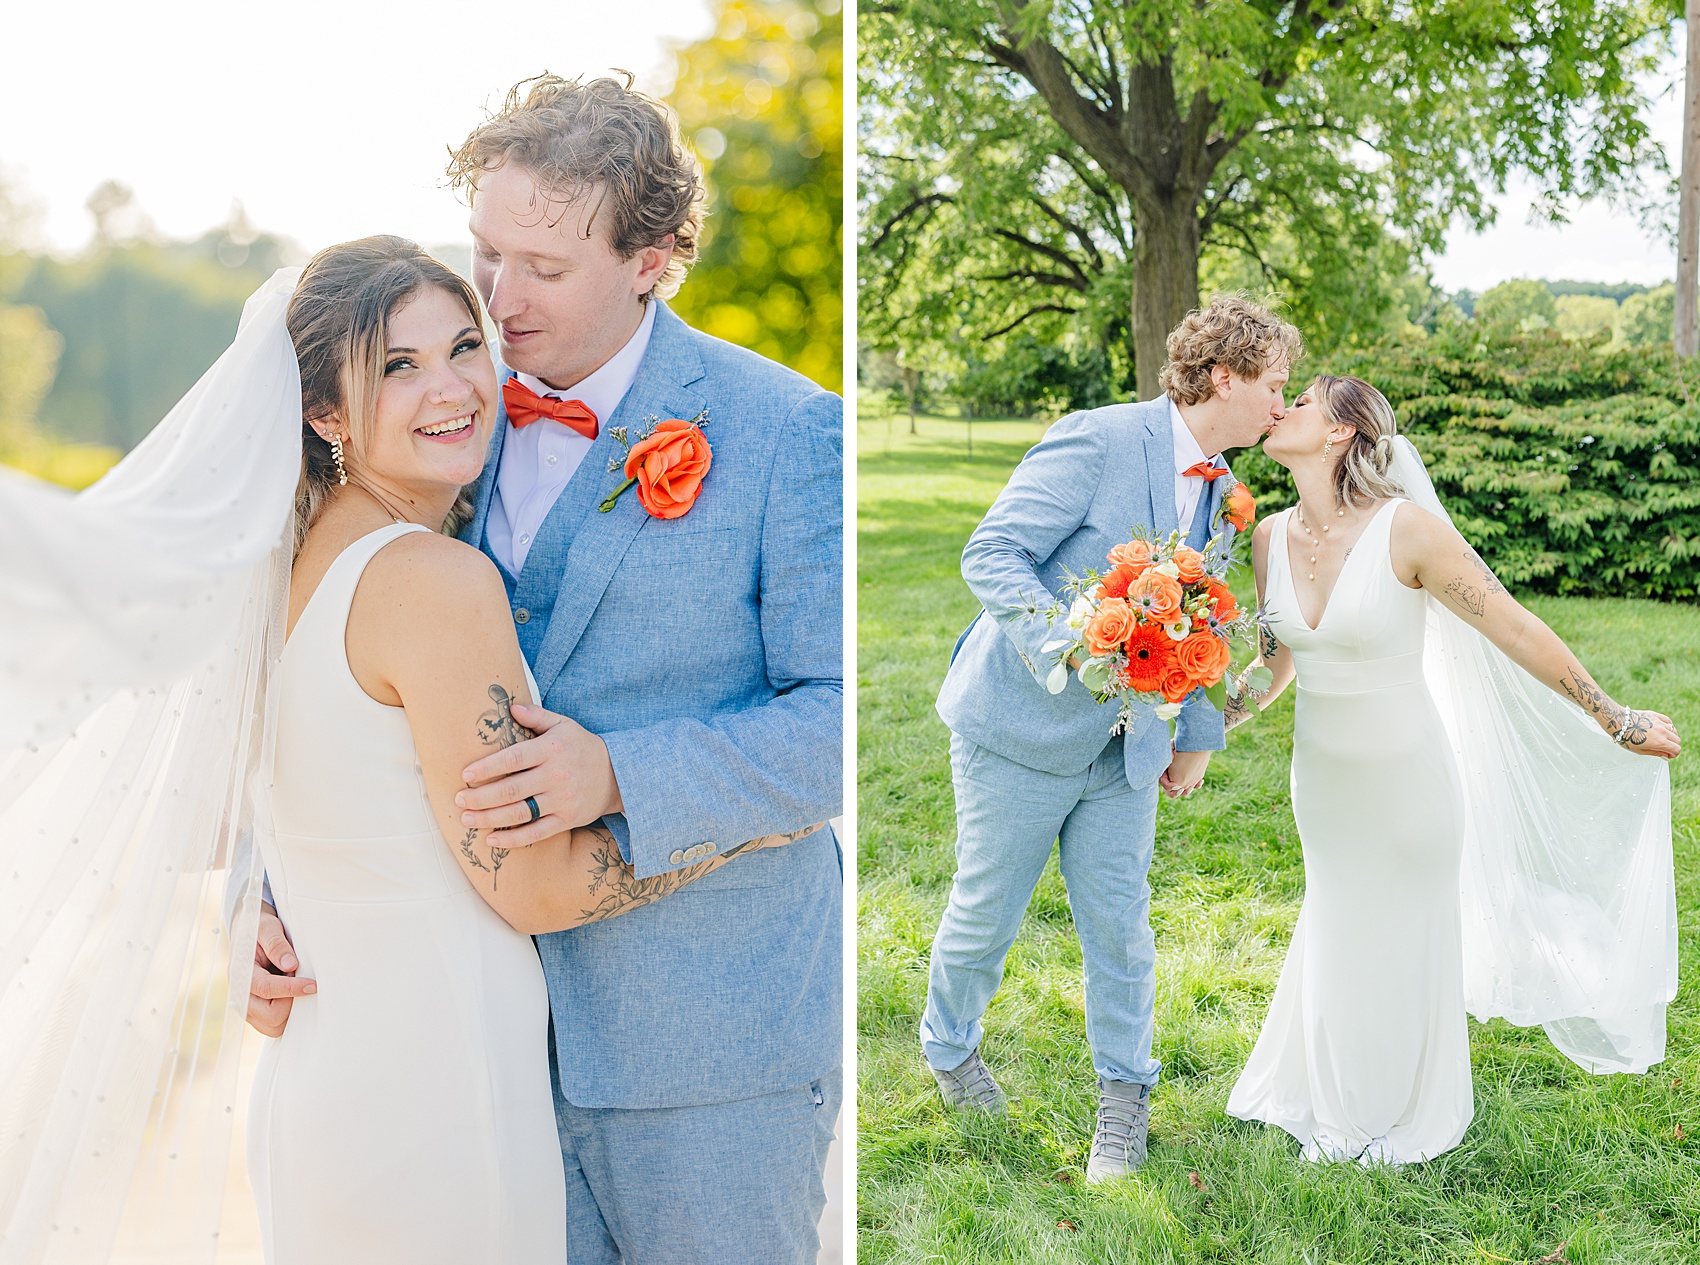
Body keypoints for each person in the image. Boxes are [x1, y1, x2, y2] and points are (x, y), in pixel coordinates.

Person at [251, 76, 844, 1262]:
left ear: (655, 259)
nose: (500, 302)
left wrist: (625, 771)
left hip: (706, 1048)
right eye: (485, 254)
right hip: (463, 1058)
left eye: (544, 268)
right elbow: (340, 712)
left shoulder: (789, 432)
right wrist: (268, 901)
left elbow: (840, 717)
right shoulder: (430, 418)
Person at [1223, 374, 1680, 1165]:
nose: (1281, 407)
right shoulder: (1268, 537)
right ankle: (1331, 1092)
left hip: (1409, 786)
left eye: (1301, 401)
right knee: (1337, 924)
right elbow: (1273, 667)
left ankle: (1391, 1111)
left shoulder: (1407, 532)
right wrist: (1192, 721)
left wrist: (1617, 718)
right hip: (1324, 789)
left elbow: (1514, 625)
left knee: (1400, 937)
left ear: (1339, 434)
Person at [923, 295, 1296, 1182]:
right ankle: (948, 1045)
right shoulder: (1097, 438)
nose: (1283, 405)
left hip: (1126, 752)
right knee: (985, 915)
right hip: (1019, 727)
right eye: (1275, 386)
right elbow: (992, 553)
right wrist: (1074, 646)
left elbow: (1199, 627)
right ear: (1224, 377)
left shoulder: (1224, 494)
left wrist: (1195, 734)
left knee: (1123, 931)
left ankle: (1124, 1101)